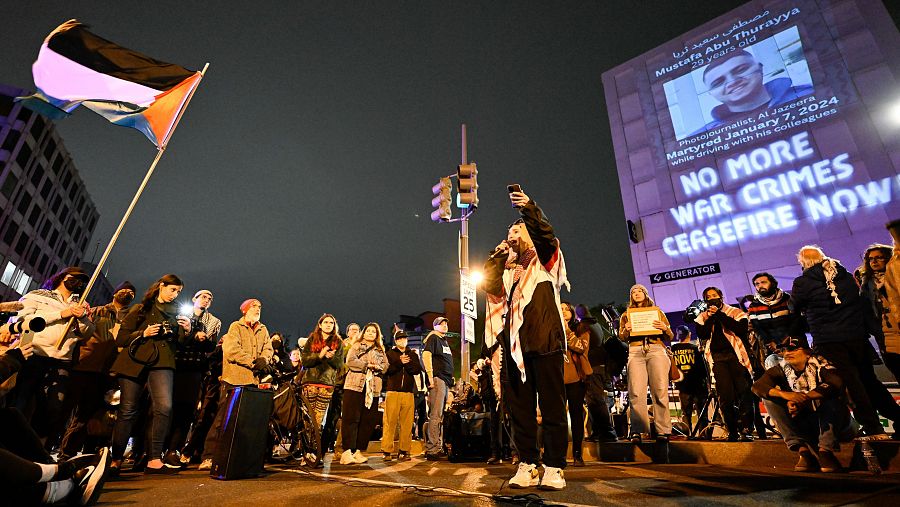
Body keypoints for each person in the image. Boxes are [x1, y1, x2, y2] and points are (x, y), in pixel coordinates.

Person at [483, 188, 570, 491]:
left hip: (545, 341)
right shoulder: (509, 273)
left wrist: (529, 210)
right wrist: (497, 256)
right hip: (514, 347)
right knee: (519, 409)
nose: (513, 234)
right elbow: (490, 287)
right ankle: (528, 463)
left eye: (518, 229)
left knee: (553, 407)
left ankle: (556, 466)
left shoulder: (545, 261)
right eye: (510, 231)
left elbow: (544, 233)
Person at [790, 245, 899, 440]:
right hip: (857, 337)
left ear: (804, 263)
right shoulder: (846, 276)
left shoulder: (803, 282)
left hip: (830, 340)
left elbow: (793, 307)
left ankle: (873, 428)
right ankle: (898, 417)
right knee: (870, 382)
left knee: (851, 386)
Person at [108, 274, 194, 475]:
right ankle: (116, 460)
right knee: (128, 410)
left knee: (164, 407)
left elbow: (181, 343)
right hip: (134, 362)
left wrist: (187, 330)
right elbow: (121, 339)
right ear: (161, 286)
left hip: (163, 362)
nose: (175, 294)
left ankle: (154, 459)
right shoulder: (141, 309)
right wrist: (143, 333)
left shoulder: (177, 314)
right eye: (173, 289)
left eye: (179, 292)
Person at [11, 266, 96, 446]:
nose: (78, 282)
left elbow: (87, 333)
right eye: (75, 277)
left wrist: (82, 318)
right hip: (33, 354)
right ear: (62, 277)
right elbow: (20, 320)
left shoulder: (82, 304)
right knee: (21, 402)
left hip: (61, 360)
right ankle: (10, 444)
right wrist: (61, 314)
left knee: (53, 408)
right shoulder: (37, 295)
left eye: (82, 280)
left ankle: (36, 447)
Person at [58, 281, 135, 460]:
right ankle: (57, 449)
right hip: (84, 365)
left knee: (92, 414)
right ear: (115, 293)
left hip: (109, 371)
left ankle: (79, 453)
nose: (127, 293)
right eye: (123, 289)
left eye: (131, 292)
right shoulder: (98, 310)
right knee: (66, 410)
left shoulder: (132, 317)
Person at [752, 337, 852, 472]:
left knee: (833, 398)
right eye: (784, 350)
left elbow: (836, 383)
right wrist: (787, 396)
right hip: (805, 424)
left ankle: (825, 451)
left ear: (807, 351)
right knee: (769, 398)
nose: (787, 353)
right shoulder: (781, 368)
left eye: (793, 349)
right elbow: (757, 386)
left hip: (835, 425)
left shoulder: (822, 364)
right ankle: (803, 451)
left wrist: (804, 398)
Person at [199, 298, 273, 470]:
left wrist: (265, 359)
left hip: (252, 382)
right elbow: (231, 350)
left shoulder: (263, 329)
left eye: (259, 307)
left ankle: (240, 456)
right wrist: (254, 362)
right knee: (223, 419)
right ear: (245, 310)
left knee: (246, 422)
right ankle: (209, 456)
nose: (257, 309)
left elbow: (268, 348)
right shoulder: (235, 327)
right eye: (254, 306)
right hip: (233, 379)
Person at [693, 49, 813, 133]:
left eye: (740, 70)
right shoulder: (702, 137)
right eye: (718, 82)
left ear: (760, 68)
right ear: (711, 93)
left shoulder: (812, 93)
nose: (732, 82)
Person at [164, 289, 219, 467]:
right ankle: (152, 450)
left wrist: (200, 339)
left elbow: (211, 346)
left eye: (210, 298)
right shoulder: (179, 313)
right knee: (164, 408)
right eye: (203, 296)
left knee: (186, 411)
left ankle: (174, 450)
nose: (206, 300)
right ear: (194, 299)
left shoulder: (213, 322)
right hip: (174, 365)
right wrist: (191, 334)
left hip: (195, 367)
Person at [693, 286, 755, 441]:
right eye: (708, 296)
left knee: (744, 392)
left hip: (736, 356)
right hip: (718, 358)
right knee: (725, 396)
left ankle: (746, 429)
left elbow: (740, 329)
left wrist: (719, 314)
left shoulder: (734, 312)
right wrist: (711, 317)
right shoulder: (704, 317)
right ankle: (732, 430)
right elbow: (703, 334)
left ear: (721, 296)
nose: (712, 298)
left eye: (715, 295)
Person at [618, 284, 674, 442]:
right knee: (636, 391)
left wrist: (664, 328)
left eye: (639, 291)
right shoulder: (626, 315)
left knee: (660, 390)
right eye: (633, 292)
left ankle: (662, 430)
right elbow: (621, 337)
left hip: (656, 349)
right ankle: (638, 430)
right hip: (635, 351)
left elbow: (669, 335)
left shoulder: (657, 311)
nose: (636, 293)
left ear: (645, 294)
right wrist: (626, 330)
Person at [339, 322, 388, 465]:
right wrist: (366, 365)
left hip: (373, 388)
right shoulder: (357, 345)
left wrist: (379, 367)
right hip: (355, 385)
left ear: (377, 335)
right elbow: (350, 361)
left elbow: (386, 366)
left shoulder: (380, 350)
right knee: (351, 418)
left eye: (374, 332)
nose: (371, 333)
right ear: (364, 333)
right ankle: (347, 451)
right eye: (368, 331)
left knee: (368, 420)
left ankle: (358, 450)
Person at [857, 244, 900, 382]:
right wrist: (877, 331)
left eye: (878, 258)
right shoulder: (867, 284)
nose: (874, 262)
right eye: (870, 259)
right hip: (885, 334)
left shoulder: (896, 277)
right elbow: (867, 311)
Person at [576, 305, 618, 443]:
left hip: (592, 366)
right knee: (597, 400)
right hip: (601, 365)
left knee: (595, 400)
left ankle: (606, 432)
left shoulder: (584, 326)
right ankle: (600, 431)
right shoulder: (596, 324)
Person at [380, 329, 421, 461]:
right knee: (389, 422)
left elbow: (416, 370)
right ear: (396, 341)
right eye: (399, 339)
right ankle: (387, 450)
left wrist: (407, 362)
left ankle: (404, 450)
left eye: (404, 338)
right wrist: (399, 362)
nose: (402, 341)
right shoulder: (390, 354)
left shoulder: (413, 355)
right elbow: (387, 371)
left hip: (408, 393)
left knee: (407, 423)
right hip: (393, 392)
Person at [747, 273, 803, 369]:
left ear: (772, 283)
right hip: (772, 347)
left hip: (794, 343)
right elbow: (757, 327)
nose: (760, 286)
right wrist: (770, 342)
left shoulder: (787, 299)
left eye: (763, 282)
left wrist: (788, 339)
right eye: (757, 284)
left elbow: (796, 320)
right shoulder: (754, 305)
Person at [300, 314, 344, 427]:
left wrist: (330, 357)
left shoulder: (338, 341)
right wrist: (320, 355)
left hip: (326, 384)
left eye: (331, 323)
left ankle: (315, 443)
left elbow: (339, 364)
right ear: (320, 325)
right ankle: (304, 443)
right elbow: (305, 361)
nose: (328, 325)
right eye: (326, 322)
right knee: (307, 416)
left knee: (318, 419)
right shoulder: (312, 339)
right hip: (310, 382)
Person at [323, 322, 359, 454]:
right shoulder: (342, 344)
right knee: (333, 417)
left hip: (354, 385)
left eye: (357, 330)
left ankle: (343, 448)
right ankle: (323, 447)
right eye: (352, 330)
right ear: (348, 332)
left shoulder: (360, 347)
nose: (355, 332)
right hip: (339, 384)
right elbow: (341, 360)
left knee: (349, 418)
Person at [561, 302, 589, 467]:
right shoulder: (552, 328)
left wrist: (566, 330)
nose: (563, 311)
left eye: (566, 309)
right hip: (556, 377)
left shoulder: (581, 329)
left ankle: (577, 454)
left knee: (576, 415)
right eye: (560, 309)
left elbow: (580, 348)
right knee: (557, 417)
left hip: (576, 377)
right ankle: (558, 453)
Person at [422, 316, 454, 460]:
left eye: (446, 323)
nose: (445, 325)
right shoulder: (433, 338)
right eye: (441, 324)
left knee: (440, 416)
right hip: (438, 379)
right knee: (435, 415)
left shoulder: (443, 340)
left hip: (445, 381)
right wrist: (430, 376)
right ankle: (432, 449)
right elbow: (426, 356)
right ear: (435, 326)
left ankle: (438, 446)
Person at [670, 325, 709, 436]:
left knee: (685, 413)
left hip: (683, 386)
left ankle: (687, 435)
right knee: (702, 413)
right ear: (689, 335)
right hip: (698, 386)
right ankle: (704, 435)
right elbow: (702, 369)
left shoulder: (673, 350)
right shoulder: (695, 349)